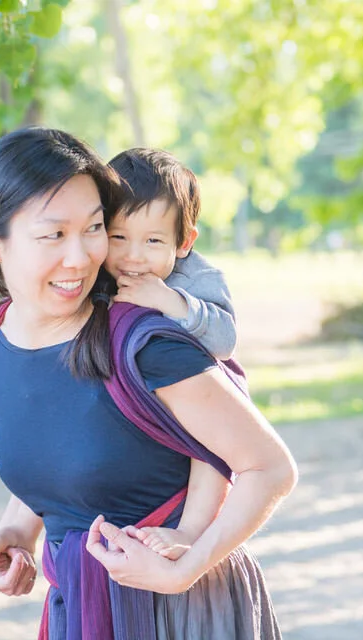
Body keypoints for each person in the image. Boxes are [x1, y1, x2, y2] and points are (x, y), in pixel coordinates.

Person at [0, 127, 297, 640]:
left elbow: (270, 468)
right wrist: (17, 532)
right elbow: (67, 448)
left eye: (94, 228)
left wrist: (186, 567)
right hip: (82, 607)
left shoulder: (146, 344)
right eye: (54, 234)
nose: (81, 257)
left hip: (182, 614)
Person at [104, 147, 238, 562]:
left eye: (153, 241)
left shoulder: (197, 278)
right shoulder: (102, 273)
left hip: (206, 388)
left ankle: (190, 530)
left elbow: (225, 340)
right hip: (149, 393)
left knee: (211, 448)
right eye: (118, 237)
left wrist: (171, 301)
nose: (133, 255)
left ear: (183, 242)